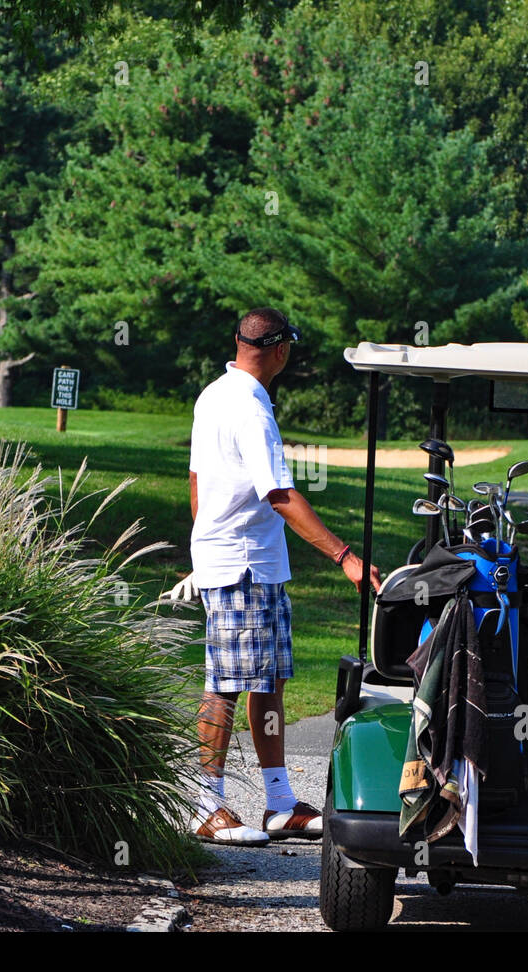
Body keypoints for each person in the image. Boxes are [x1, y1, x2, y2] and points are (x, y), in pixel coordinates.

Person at [168, 308, 382, 846]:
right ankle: (207, 805)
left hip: (246, 561)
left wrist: (202, 548)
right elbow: (280, 494)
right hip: (242, 563)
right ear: (282, 349)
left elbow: (197, 483)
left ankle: (280, 803)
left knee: (267, 682)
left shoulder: (214, 394)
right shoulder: (250, 408)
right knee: (224, 685)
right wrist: (344, 557)